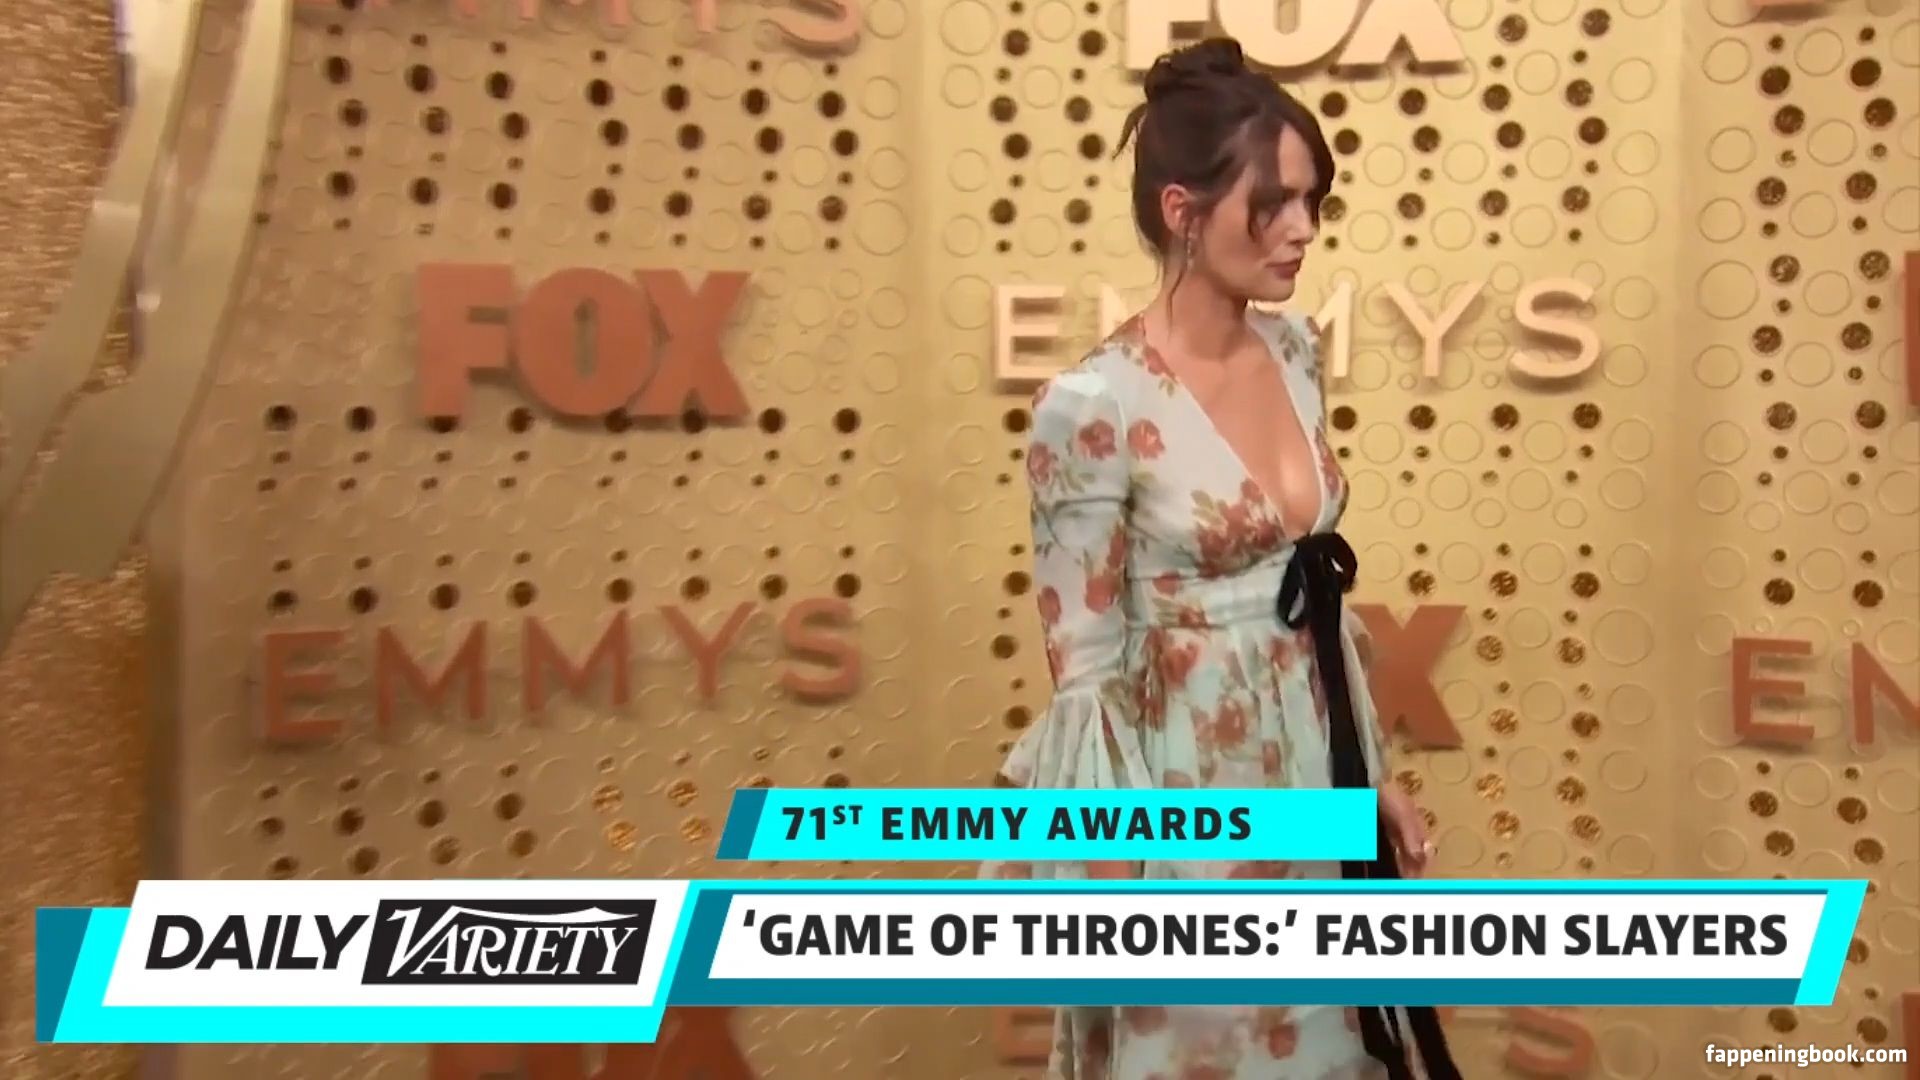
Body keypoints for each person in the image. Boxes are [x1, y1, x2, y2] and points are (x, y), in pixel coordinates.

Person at [985, 37, 1461, 1080]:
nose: (1302, 229)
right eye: (1272, 202)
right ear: (1182, 211)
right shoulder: (1092, 403)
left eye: (1312, 201)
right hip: (1188, 822)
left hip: (1322, 802)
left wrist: (1370, 783)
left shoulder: (1295, 353)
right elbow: (1085, 675)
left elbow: (1314, 611)